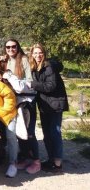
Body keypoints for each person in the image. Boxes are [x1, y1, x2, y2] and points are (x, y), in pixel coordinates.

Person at [29, 44, 68, 173]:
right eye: (35, 53)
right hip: (45, 105)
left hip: (55, 104)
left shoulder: (48, 66)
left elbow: (50, 86)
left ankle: (57, 163)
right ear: (32, 54)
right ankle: (51, 159)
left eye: (40, 53)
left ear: (44, 53)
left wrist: (32, 84)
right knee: (47, 133)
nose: (38, 55)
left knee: (54, 132)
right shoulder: (35, 67)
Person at [3, 39, 40, 174]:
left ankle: (36, 160)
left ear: (17, 47)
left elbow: (30, 81)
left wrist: (14, 80)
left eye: (13, 46)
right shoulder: (8, 61)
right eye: (8, 47)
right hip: (14, 100)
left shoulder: (23, 60)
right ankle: (25, 157)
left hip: (26, 100)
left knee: (29, 132)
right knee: (20, 132)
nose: (11, 49)